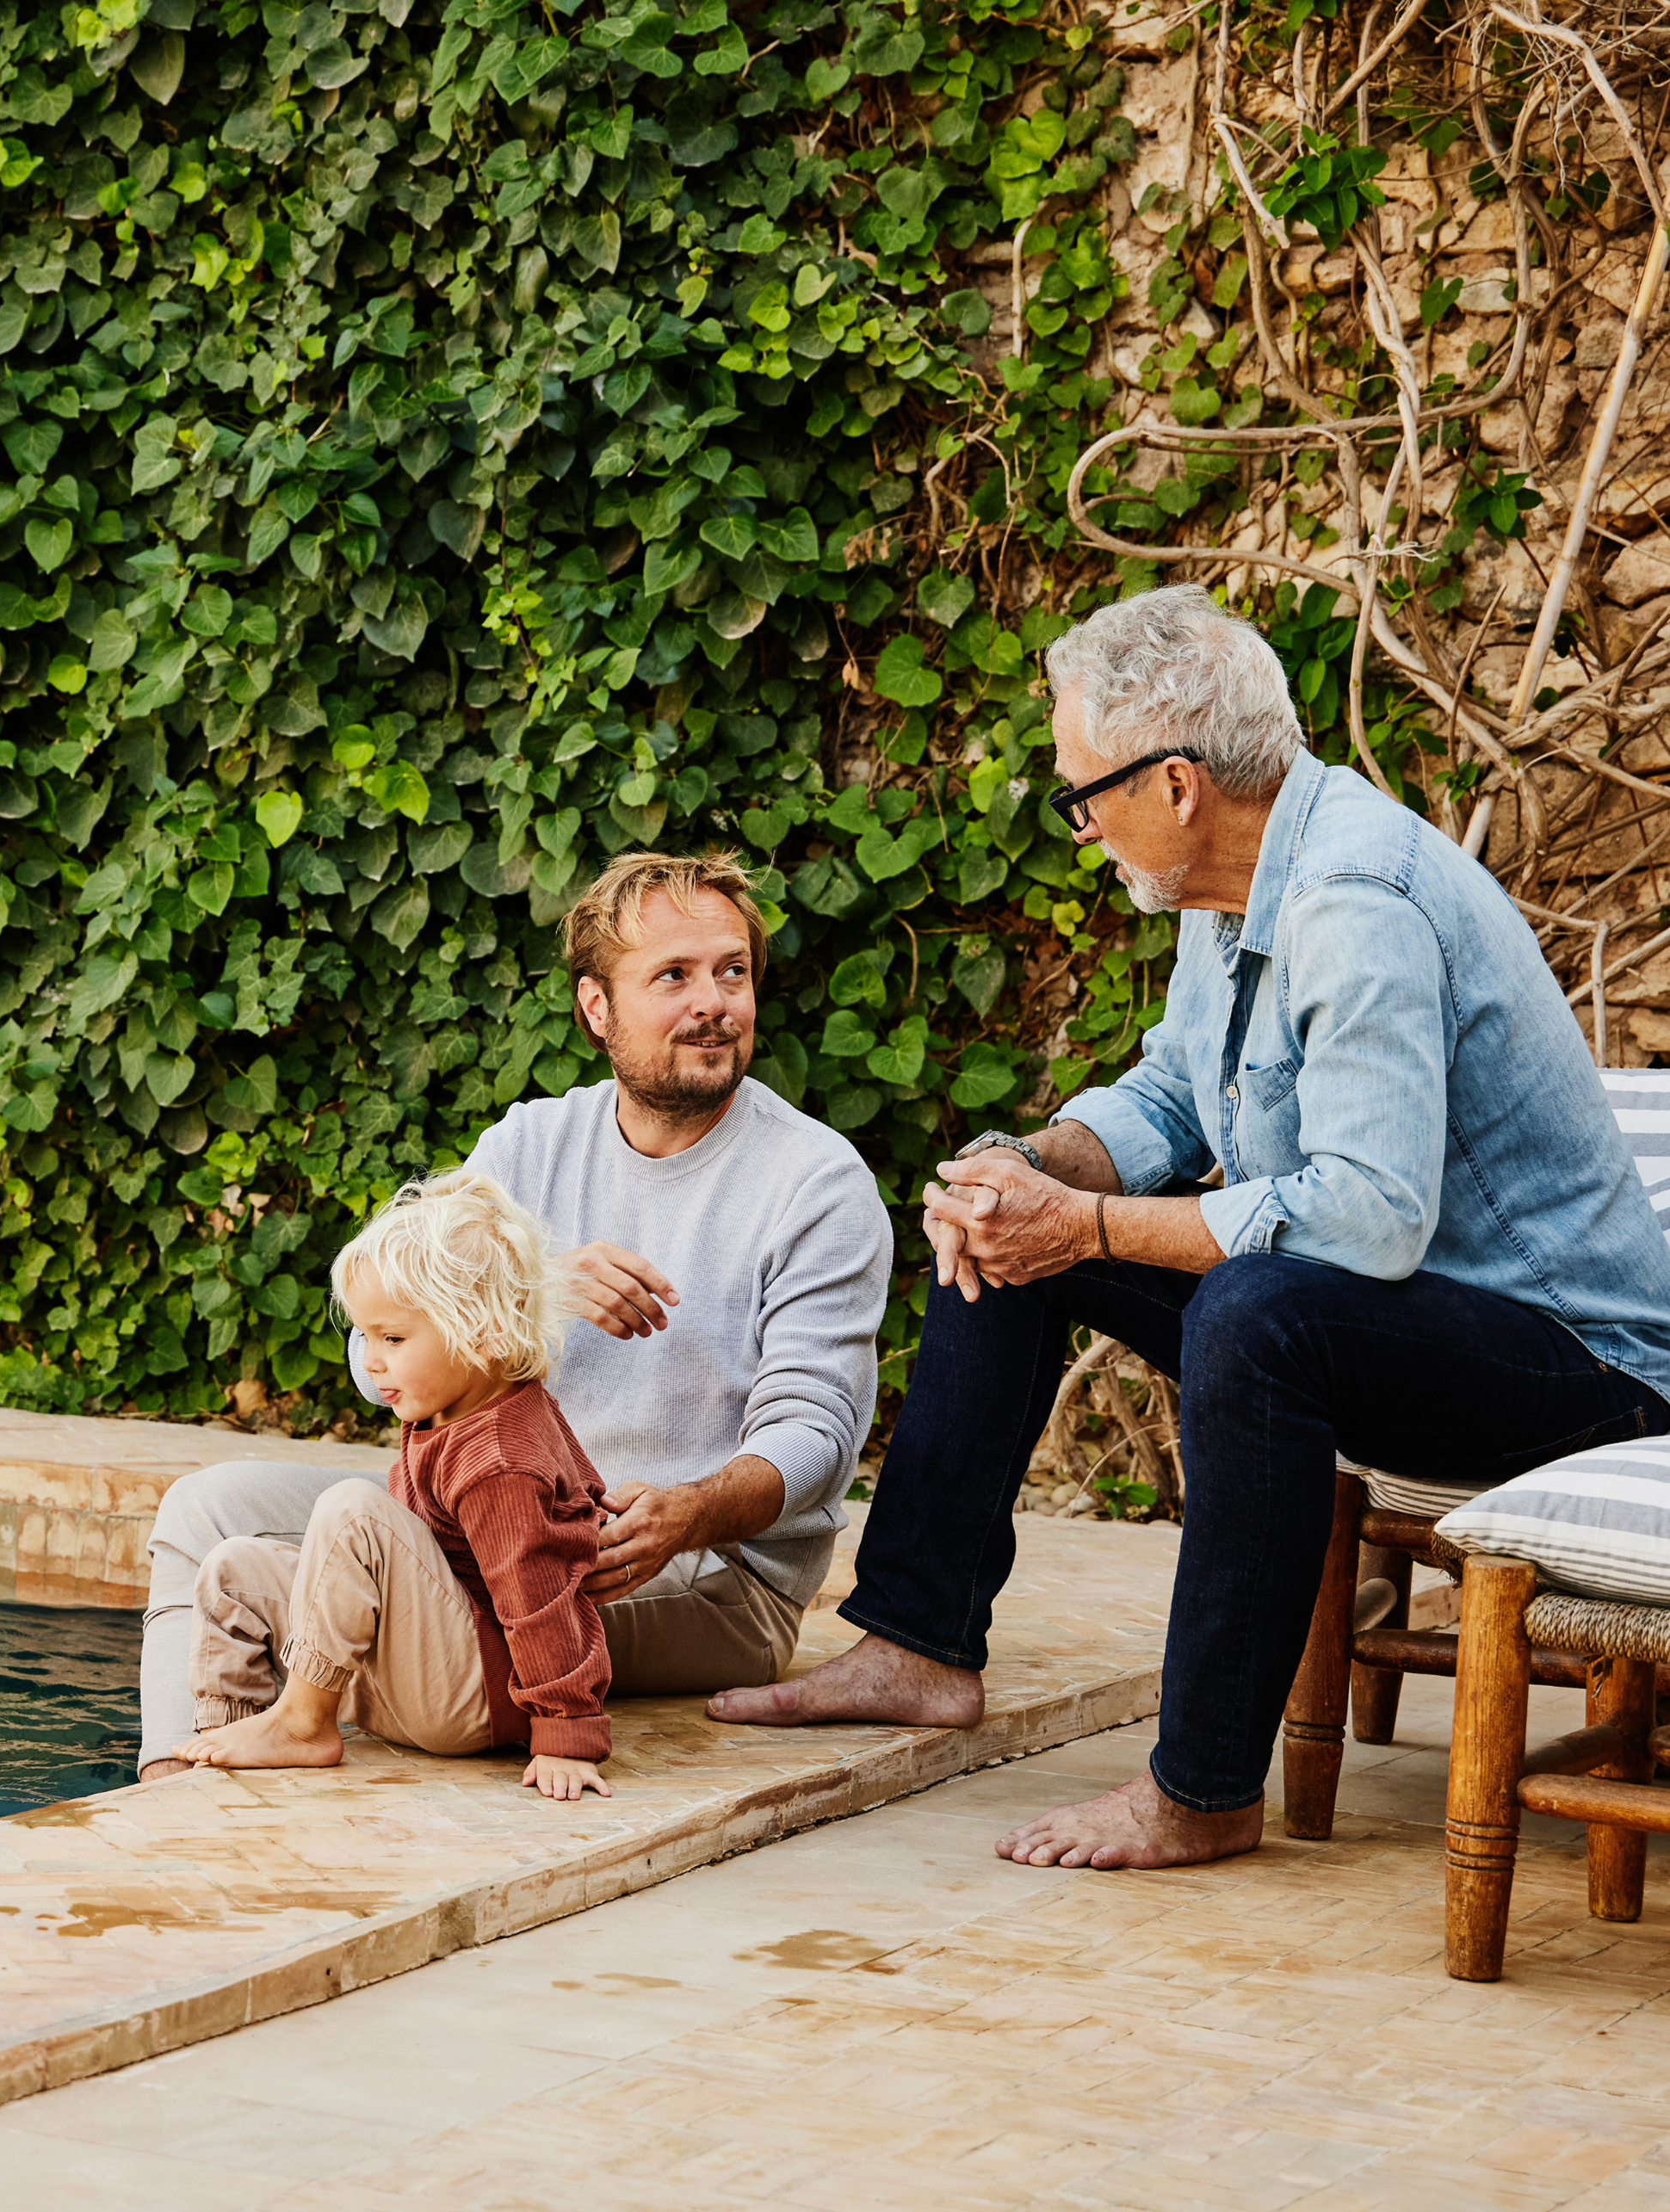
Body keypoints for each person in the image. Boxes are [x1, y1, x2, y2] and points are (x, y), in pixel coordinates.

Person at [707, 584, 1670, 1869]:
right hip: (1412, 1319)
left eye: (1079, 795)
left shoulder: (1352, 903)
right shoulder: (1229, 886)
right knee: (1006, 1227)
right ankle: (917, 1645)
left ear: (1174, 784)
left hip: (1581, 1367)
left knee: (1255, 1313)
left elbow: (1368, 1221)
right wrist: (1032, 1168)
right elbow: (1170, 1091)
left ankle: (1204, 1785)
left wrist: (1092, 1223)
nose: (1077, 827)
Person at [136, 848, 890, 1779]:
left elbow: (819, 1438)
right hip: (489, 1512)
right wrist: (536, 1290)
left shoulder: (814, 1182)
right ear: (595, 1009)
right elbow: (381, 1349)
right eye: (674, 977)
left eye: (732, 971)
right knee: (207, 1506)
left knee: (403, 1567)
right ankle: (177, 1772)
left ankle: (299, 1727)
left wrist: (685, 1515)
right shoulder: (529, 1143)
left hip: (697, 1575)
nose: (715, 1003)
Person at [176, 1170, 615, 1800]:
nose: (371, 1359)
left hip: (474, 1699)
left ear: (484, 1334)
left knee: (352, 1510)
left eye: (392, 1337)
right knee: (232, 1569)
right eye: (365, 1335)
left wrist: (567, 1732)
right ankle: (226, 1747)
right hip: (419, 1667)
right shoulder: (445, 1407)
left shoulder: (498, 1456)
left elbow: (538, 1596)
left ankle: (303, 1725)